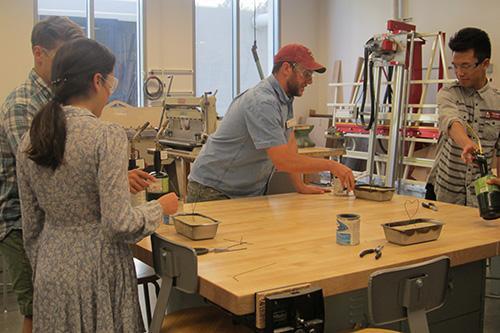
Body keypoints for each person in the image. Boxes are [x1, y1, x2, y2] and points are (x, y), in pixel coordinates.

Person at [16, 38, 178, 332]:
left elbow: (31, 228)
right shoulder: (106, 136)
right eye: (110, 83)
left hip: (50, 272)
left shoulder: (31, 139)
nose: (108, 93)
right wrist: (159, 208)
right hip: (98, 272)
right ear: (97, 80)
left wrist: (47, 267)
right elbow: (119, 224)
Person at [0, 16, 85, 333]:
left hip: (51, 221)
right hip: (20, 224)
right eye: (64, 57)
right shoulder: (23, 104)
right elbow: (42, 173)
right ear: (39, 54)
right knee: (38, 313)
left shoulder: (57, 100)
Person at [187, 44, 354, 202]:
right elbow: (282, 161)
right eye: (306, 74)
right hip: (214, 190)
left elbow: (289, 143)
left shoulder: (284, 99)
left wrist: (299, 185)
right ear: (287, 68)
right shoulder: (262, 102)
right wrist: (332, 165)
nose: (309, 81)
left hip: (246, 192)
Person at [428, 27, 500, 207]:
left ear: (484, 64)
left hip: (481, 198)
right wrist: (466, 143)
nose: (459, 72)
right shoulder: (448, 93)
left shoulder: (497, 102)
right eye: (455, 66)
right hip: (445, 195)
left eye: (466, 66)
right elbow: (450, 120)